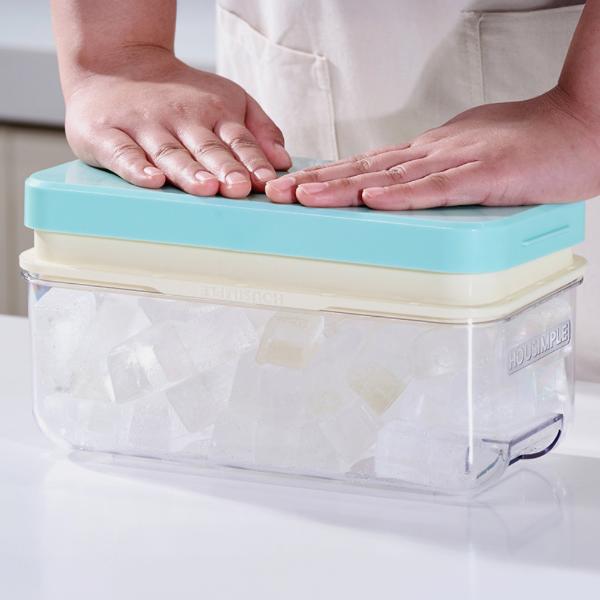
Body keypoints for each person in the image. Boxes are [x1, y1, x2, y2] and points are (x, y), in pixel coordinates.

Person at [51, 0, 598, 380]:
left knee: (540, 387)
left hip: (558, 89)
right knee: (277, 378)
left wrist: (585, 113)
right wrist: (117, 56)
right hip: (289, 40)